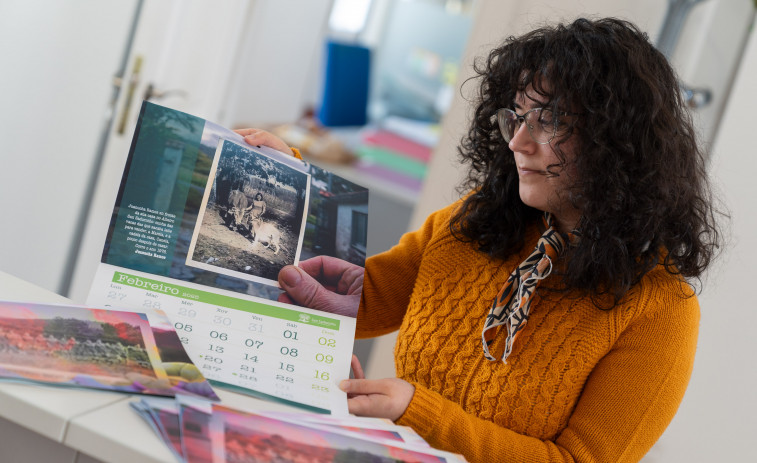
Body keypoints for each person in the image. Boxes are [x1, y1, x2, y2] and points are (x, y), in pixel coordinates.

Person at [241, 18, 722, 463]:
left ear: (617, 140)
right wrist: (292, 183)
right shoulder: (474, 220)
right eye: (516, 116)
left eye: (550, 120)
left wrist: (417, 412)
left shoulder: (661, 312)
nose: (518, 141)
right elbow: (367, 300)